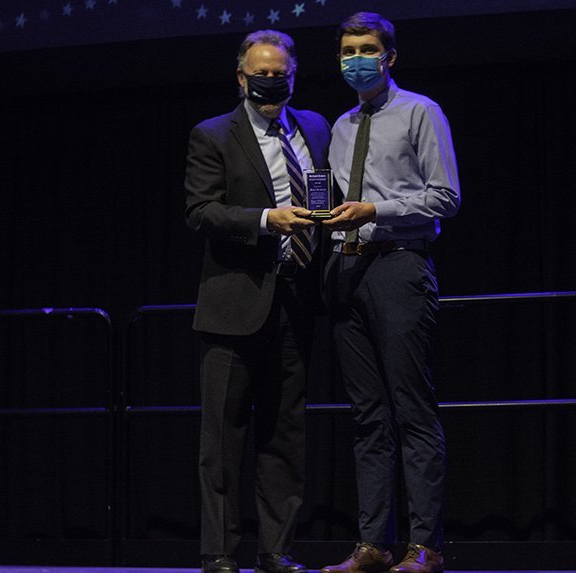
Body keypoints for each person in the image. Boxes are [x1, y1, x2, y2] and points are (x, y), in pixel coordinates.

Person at [184, 29, 331, 573]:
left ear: (293, 75)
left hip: (297, 299)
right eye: (261, 73)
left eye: (281, 73)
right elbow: (201, 213)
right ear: (241, 76)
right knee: (223, 436)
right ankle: (220, 550)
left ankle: (277, 550)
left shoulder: (314, 126)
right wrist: (268, 221)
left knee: (284, 432)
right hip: (233, 304)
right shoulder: (213, 134)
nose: (271, 80)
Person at [320, 12, 460, 573]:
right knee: (367, 415)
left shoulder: (420, 112)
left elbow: (445, 197)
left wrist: (377, 209)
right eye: (348, 50)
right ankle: (373, 544)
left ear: (390, 56)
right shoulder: (340, 126)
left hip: (399, 265)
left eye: (368, 48)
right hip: (346, 269)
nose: (357, 58)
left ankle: (425, 546)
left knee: (411, 410)